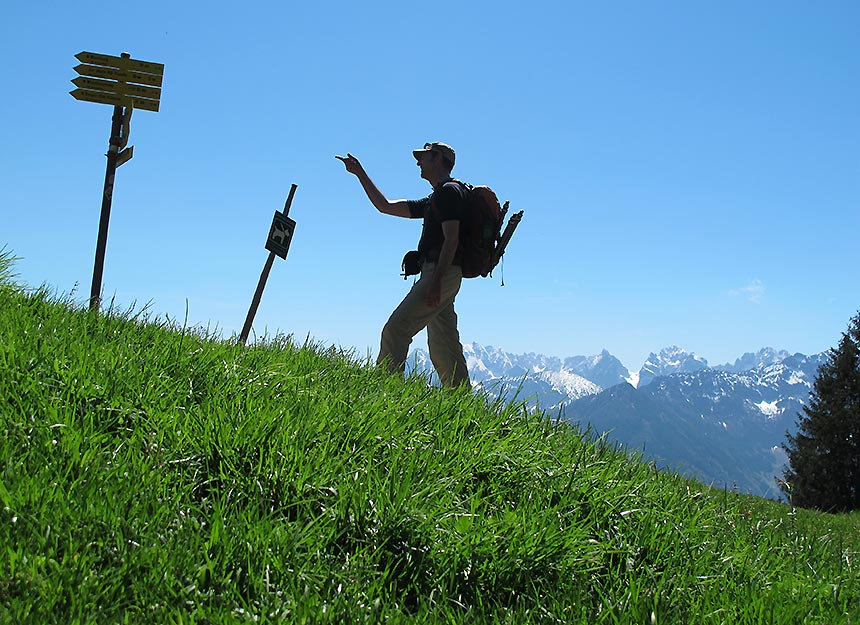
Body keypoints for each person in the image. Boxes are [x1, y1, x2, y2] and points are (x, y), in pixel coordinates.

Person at [336, 142, 471, 387]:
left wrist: (436, 282)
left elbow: (452, 239)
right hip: (443, 273)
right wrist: (360, 173)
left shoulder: (449, 193)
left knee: (395, 330)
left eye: (423, 157)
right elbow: (385, 206)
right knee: (444, 346)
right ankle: (461, 402)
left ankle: (383, 393)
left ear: (438, 159)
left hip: (442, 272)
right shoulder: (436, 198)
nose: (418, 161)